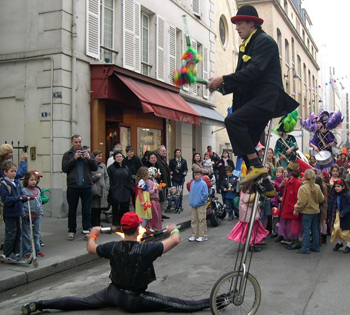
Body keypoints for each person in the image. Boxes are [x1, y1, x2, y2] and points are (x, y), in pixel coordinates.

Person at [21, 212, 216, 314]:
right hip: (134, 299)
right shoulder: (146, 249)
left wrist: (94, 234)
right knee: (175, 304)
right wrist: (174, 229)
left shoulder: (112, 246)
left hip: (112, 293)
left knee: (81, 302)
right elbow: (174, 240)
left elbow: (91, 247)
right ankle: (216, 301)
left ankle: (38, 305)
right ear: (138, 228)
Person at [207, 5, 298, 185]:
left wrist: (223, 78)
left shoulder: (264, 42)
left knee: (233, 120)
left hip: (267, 99)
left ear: (251, 23)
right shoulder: (245, 47)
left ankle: (256, 169)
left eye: (240, 23)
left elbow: (253, 72)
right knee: (246, 142)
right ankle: (264, 183)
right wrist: (221, 86)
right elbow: (243, 81)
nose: (236, 27)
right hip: (255, 99)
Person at [61, 134, 98, 241]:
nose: (78, 144)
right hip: (73, 186)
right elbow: (64, 168)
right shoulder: (68, 154)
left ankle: (86, 229)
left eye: (80, 142)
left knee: (86, 210)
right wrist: (74, 158)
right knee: (72, 210)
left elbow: (95, 167)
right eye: (76, 142)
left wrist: (89, 159)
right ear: (72, 143)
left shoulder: (88, 153)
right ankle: (71, 230)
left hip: (86, 185)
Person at [0, 161, 30, 261]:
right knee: (11, 233)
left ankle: (16, 252)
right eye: (11, 171)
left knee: (18, 233)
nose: (14, 173)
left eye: (15, 171)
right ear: (5, 172)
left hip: (17, 212)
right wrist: (19, 198)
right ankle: (8, 253)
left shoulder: (16, 182)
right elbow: (6, 200)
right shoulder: (4, 184)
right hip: (9, 213)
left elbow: (21, 194)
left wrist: (26, 197)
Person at [227, 182, 269, 252]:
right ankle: (251, 245)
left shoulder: (244, 190)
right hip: (249, 214)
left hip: (246, 213)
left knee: (247, 230)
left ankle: (249, 243)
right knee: (251, 230)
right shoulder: (249, 191)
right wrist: (258, 202)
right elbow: (248, 201)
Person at [293, 169, 324, 254]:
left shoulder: (303, 188)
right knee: (315, 229)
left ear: (305, 176)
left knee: (306, 230)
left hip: (307, 212)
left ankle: (305, 248)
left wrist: (296, 208)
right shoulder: (317, 186)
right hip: (316, 211)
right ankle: (316, 246)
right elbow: (322, 199)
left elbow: (301, 202)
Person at [277, 162, 302, 249]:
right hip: (287, 205)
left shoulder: (297, 182)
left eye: (288, 171)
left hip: (292, 206)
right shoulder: (288, 181)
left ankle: (296, 241)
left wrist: (296, 207)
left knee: (294, 225)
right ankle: (292, 240)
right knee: (289, 225)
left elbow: (297, 197)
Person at [107, 151, 133, 227]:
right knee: (115, 208)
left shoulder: (126, 167)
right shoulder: (111, 168)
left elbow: (130, 178)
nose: (119, 158)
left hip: (125, 190)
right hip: (115, 190)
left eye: (120, 156)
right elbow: (109, 179)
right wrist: (111, 189)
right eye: (117, 157)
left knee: (125, 207)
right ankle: (116, 223)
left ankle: (124, 222)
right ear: (114, 158)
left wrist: (130, 187)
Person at [22, 172, 44, 258]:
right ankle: (27, 251)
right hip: (28, 214)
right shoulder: (24, 191)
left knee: (36, 233)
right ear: (27, 180)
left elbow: (39, 202)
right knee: (27, 233)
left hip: (37, 214)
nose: (34, 182)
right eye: (31, 180)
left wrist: (41, 212)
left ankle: (37, 250)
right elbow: (22, 203)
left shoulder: (38, 190)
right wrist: (25, 213)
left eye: (35, 180)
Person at [328, 179, 350, 253]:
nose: (337, 188)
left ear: (343, 187)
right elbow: (331, 204)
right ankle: (339, 242)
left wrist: (344, 212)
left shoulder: (346, 196)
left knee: (346, 231)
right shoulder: (333, 195)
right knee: (335, 229)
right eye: (336, 186)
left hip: (344, 215)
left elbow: (348, 206)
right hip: (335, 214)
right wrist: (329, 212)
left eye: (339, 186)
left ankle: (348, 245)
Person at [188, 169, 209, 242]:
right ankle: (194, 235)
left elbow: (205, 194)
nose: (197, 176)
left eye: (198, 175)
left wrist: (201, 200)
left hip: (200, 204)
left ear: (201, 175)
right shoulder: (192, 183)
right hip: (193, 204)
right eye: (195, 175)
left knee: (201, 219)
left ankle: (202, 235)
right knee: (194, 220)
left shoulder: (203, 184)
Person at [91, 150, 109, 227]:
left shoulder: (103, 166)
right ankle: (93, 224)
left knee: (99, 208)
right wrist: (96, 176)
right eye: (98, 156)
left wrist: (107, 187)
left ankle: (98, 223)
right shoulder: (91, 165)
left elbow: (106, 177)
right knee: (94, 208)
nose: (100, 158)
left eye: (101, 156)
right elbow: (89, 178)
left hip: (102, 190)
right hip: (94, 189)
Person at [155, 146, 171, 220]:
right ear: (159, 152)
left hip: (165, 182)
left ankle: (162, 213)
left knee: (163, 198)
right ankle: (159, 214)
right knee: (160, 199)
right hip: (160, 183)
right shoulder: (158, 160)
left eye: (165, 151)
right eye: (163, 151)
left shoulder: (163, 160)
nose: (165, 152)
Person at [315, 175, 328, 244]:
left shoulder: (322, 187)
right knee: (323, 222)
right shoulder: (324, 186)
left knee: (322, 222)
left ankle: (322, 236)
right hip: (324, 205)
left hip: (321, 205)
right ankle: (323, 236)